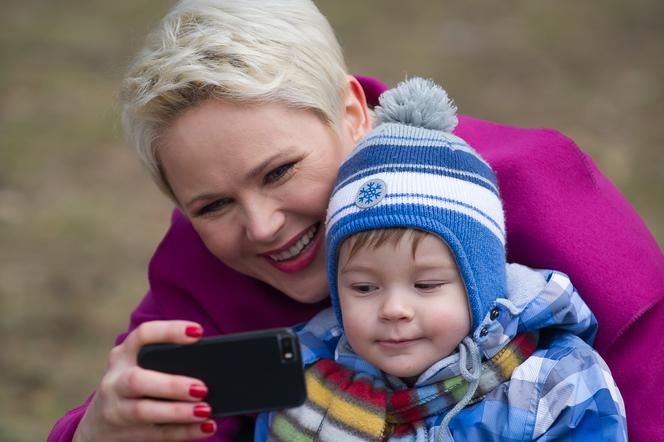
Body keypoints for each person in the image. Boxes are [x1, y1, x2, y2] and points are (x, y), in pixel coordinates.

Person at [48, 0, 663, 441]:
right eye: (212, 204)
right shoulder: (201, 265)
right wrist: (100, 429)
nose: (261, 226)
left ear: (352, 111)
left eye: (279, 171)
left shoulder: (530, 186)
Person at [254, 77, 627, 441]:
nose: (394, 309)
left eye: (426, 284)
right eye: (364, 287)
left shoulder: (554, 382)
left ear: (480, 284)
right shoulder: (307, 382)